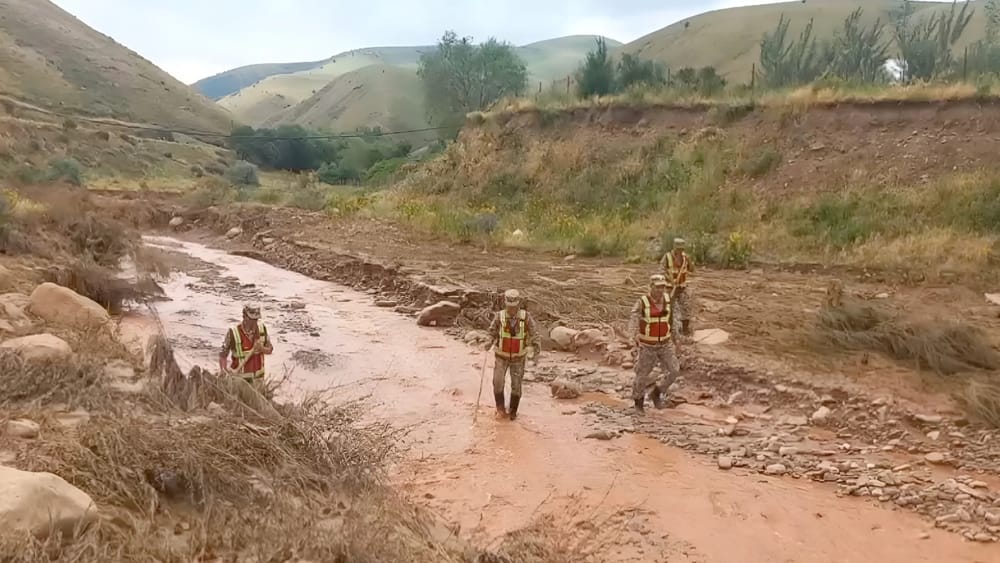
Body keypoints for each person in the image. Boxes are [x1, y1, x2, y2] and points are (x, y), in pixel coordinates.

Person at [628, 274, 681, 414]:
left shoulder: (668, 300)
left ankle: (657, 392)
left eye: (662, 287)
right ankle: (638, 402)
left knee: (674, 370)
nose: (660, 290)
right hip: (647, 345)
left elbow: (672, 319)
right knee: (642, 375)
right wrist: (634, 337)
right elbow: (634, 319)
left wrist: (677, 338)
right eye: (657, 287)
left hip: (665, 343)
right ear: (650, 287)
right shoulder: (642, 302)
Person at [485, 289, 541, 421]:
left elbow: (535, 334)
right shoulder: (500, 316)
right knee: (497, 382)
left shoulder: (526, 317)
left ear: (518, 304)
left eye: (514, 307)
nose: (511, 309)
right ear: (505, 304)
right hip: (501, 356)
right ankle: (500, 410)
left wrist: (536, 353)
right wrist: (488, 342)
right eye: (509, 307)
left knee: (516, 386)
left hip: (518, 358)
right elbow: (491, 332)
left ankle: (513, 412)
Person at [219, 303, 273, 387]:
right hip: (239, 383)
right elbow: (223, 355)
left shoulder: (262, 330)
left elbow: (270, 350)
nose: (254, 323)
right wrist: (224, 372)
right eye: (252, 320)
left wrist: (262, 348)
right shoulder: (233, 333)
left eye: (256, 320)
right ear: (244, 316)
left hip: (258, 382)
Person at [660, 237, 694, 336]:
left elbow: (691, 269)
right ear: (674, 247)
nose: (680, 251)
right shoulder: (667, 257)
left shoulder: (685, 258)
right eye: (678, 249)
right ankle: (668, 330)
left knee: (686, 307)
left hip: (682, 288)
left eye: (681, 249)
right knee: (668, 308)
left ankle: (685, 330)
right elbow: (661, 270)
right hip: (670, 288)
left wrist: (689, 261)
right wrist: (670, 279)